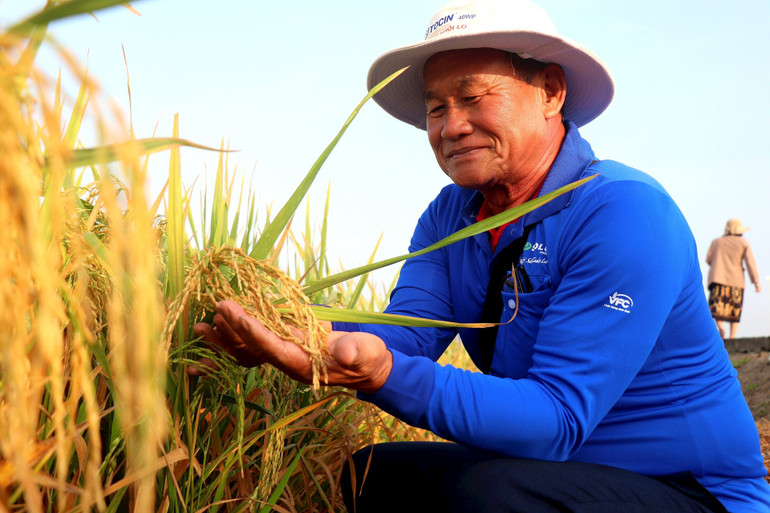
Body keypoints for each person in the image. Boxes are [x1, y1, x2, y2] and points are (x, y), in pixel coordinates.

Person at [193, 0, 770, 511]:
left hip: (685, 489)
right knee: (372, 476)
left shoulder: (624, 212)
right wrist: (282, 329)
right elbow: (406, 334)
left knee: (487, 498)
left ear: (551, 91)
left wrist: (384, 375)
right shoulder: (451, 217)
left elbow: (557, 420)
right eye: (436, 108)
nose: (452, 126)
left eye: (472, 97)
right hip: (557, 474)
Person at [706, 218, 761, 340]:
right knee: (734, 310)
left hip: (718, 278)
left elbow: (709, 259)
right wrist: (756, 282)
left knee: (716, 308)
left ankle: (721, 327)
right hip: (736, 281)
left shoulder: (716, 242)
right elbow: (750, 263)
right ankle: (732, 337)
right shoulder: (743, 243)